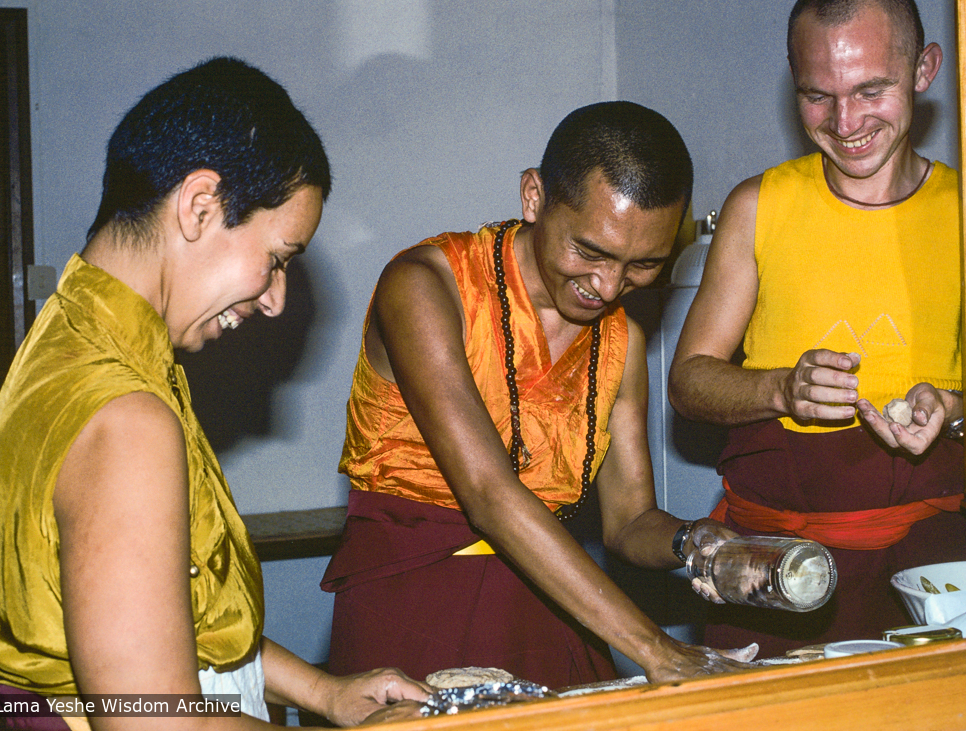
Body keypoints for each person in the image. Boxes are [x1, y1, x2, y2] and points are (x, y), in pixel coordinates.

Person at [0, 57, 429, 730]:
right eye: (277, 258)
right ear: (199, 205)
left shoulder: (64, 339)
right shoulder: (126, 416)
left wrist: (323, 692)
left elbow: (161, 621)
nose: (276, 299)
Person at [321, 101, 757, 691]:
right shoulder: (426, 286)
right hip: (412, 612)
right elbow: (488, 492)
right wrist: (655, 648)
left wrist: (693, 541)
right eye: (589, 251)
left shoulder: (620, 338)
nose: (607, 287)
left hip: (556, 608)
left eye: (643, 266)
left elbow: (629, 522)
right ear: (534, 197)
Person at [668, 0, 966, 659]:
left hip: (930, 574)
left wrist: (955, 407)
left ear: (925, 68)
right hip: (775, 572)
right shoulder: (759, 206)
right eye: (819, 96)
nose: (846, 125)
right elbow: (688, 381)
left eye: (872, 90)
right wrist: (780, 388)